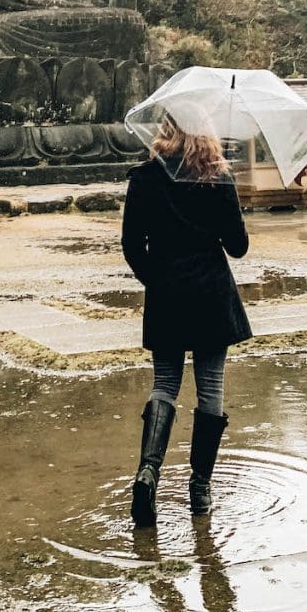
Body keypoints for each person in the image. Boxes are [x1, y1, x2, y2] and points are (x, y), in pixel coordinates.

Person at [121, 117, 252, 527]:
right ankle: (200, 489)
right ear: (206, 130)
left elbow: (131, 245)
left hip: (167, 295)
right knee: (210, 388)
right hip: (211, 295)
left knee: (164, 384)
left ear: (166, 128)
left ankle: (148, 474)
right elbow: (238, 247)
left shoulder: (144, 177)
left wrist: (157, 279)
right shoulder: (217, 177)